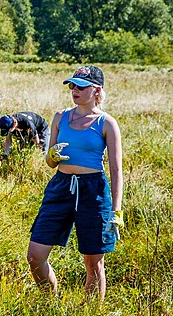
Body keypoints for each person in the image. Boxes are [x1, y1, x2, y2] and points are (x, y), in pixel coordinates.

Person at [27, 65, 123, 301]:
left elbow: (116, 169)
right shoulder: (61, 117)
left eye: (81, 86)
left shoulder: (107, 123)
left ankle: (90, 311)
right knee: (35, 255)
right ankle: (52, 303)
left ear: (97, 90)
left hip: (94, 190)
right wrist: (52, 156)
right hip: (61, 186)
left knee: (94, 263)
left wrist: (116, 212)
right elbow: (50, 161)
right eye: (72, 85)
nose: (74, 90)